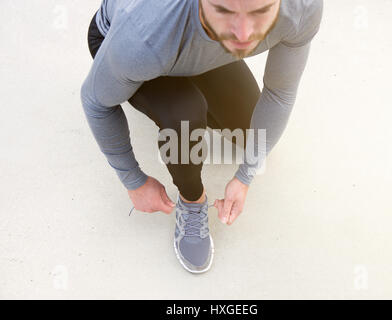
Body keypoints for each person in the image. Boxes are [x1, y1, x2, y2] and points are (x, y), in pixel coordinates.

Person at [81, 0, 323, 273]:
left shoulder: (301, 7)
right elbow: (96, 103)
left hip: (198, 43)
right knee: (184, 118)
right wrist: (133, 180)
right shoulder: (143, 34)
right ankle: (192, 200)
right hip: (127, 41)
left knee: (250, 130)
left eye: (260, 11)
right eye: (224, 10)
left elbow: (280, 93)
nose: (244, 36)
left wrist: (245, 175)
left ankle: (196, 48)